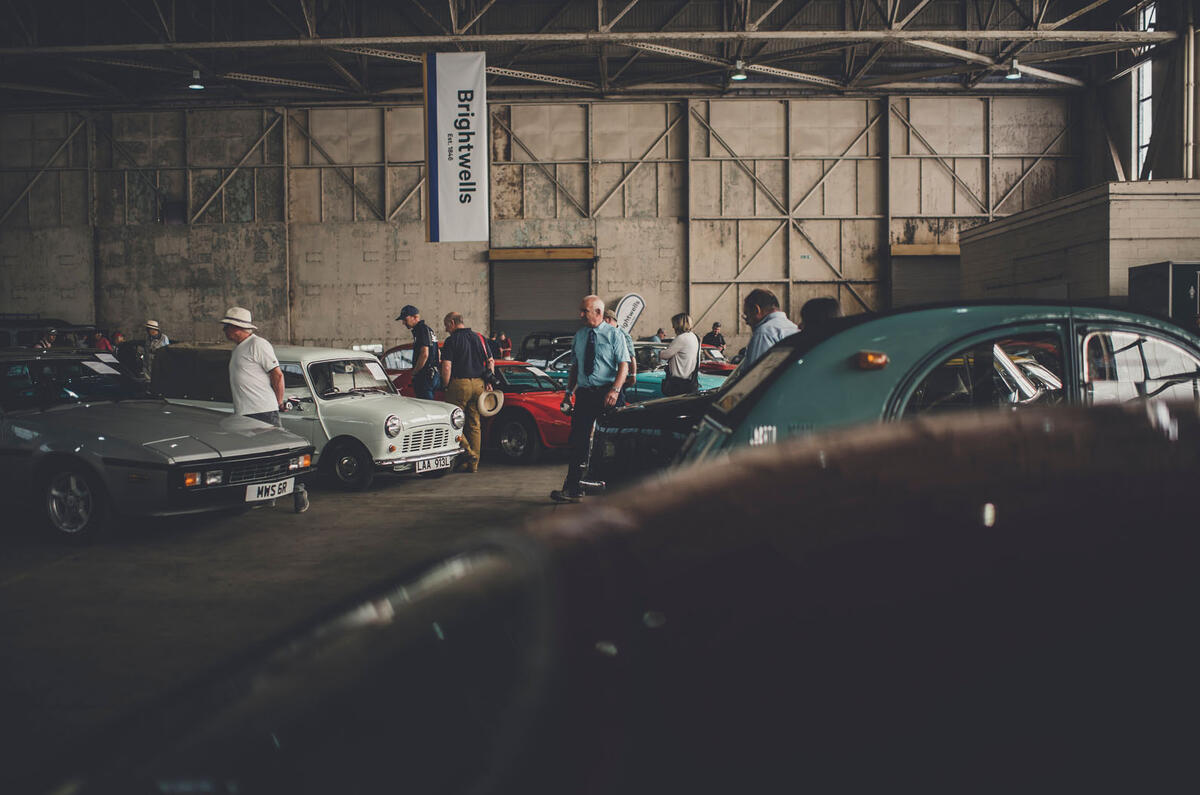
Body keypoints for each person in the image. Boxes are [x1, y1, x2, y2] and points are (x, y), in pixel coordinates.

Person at [220, 307, 309, 513]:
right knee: (256, 459)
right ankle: (267, 497)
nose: (224, 330)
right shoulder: (238, 349)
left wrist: (278, 402)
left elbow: (277, 374)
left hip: (263, 412)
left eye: (226, 327)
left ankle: (298, 491)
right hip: (244, 414)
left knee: (278, 456)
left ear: (236, 327)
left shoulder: (257, 345)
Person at [551, 295, 630, 504]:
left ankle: (616, 491)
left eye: (584, 311)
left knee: (612, 442)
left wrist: (615, 390)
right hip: (585, 394)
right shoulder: (580, 335)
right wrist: (569, 392)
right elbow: (575, 367)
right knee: (578, 441)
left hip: (609, 394)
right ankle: (572, 488)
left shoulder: (615, 335)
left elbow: (624, 365)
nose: (580, 315)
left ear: (598, 312)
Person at [439, 312, 495, 473]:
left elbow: (447, 366)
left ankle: (470, 454)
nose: (446, 329)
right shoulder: (479, 338)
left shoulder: (452, 341)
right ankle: (473, 465)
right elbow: (491, 361)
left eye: (446, 325)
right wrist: (489, 381)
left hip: (459, 384)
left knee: (451, 421)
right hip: (479, 384)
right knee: (474, 423)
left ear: (452, 323)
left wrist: (445, 385)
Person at [741, 288, 799, 369]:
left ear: (756, 310)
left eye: (747, 315)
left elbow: (755, 376)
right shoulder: (793, 328)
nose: (747, 322)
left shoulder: (764, 333)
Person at [396, 305, 440, 400]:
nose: (403, 323)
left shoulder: (421, 330)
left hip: (425, 377)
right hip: (433, 374)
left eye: (405, 319)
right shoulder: (429, 330)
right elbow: (438, 352)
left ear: (415, 317)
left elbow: (424, 354)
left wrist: (414, 372)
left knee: (426, 408)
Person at [659, 313, 701, 396]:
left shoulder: (681, 338)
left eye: (674, 324)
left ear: (679, 324)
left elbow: (665, 355)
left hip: (678, 384)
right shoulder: (695, 337)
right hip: (690, 381)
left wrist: (658, 352)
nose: (673, 327)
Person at [603, 309, 637, 393]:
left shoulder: (623, 335)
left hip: (618, 378)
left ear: (608, 319)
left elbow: (631, 356)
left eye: (602, 321)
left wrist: (633, 375)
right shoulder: (607, 333)